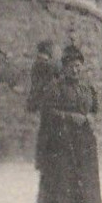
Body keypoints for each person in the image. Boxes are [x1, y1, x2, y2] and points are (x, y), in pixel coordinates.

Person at [37, 45, 102, 203]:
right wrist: (70, 117)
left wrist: (91, 118)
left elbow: (94, 109)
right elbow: (47, 112)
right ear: (64, 68)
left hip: (84, 142)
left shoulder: (86, 88)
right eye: (72, 66)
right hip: (61, 141)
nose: (76, 70)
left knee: (84, 181)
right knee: (63, 181)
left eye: (79, 66)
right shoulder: (55, 88)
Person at [27, 40, 59, 173]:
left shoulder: (36, 64)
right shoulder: (47, 65)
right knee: (48, 131)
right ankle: (44, 160)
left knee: (44, 130)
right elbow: (58, 69)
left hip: (40, 100)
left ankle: (41, 160)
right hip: (47, 101)